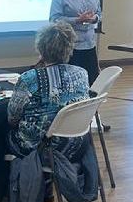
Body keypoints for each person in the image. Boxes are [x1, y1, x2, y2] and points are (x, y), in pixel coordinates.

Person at [7, 22, 91, 159]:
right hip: (76, 144)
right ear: (69, 48)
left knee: (2, 132)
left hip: (40, 148)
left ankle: (11, 178)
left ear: (40, 49)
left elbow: (12, 117)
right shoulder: (82, 74)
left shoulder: (30, 79)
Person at [49, 0, 102, 86]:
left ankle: (92, 107)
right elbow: (54, 19)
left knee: (92, 82)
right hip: (71, 47)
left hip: (90, 44)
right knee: (72, 84)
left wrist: (94, 18)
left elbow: (99, 13)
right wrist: (77, 20)